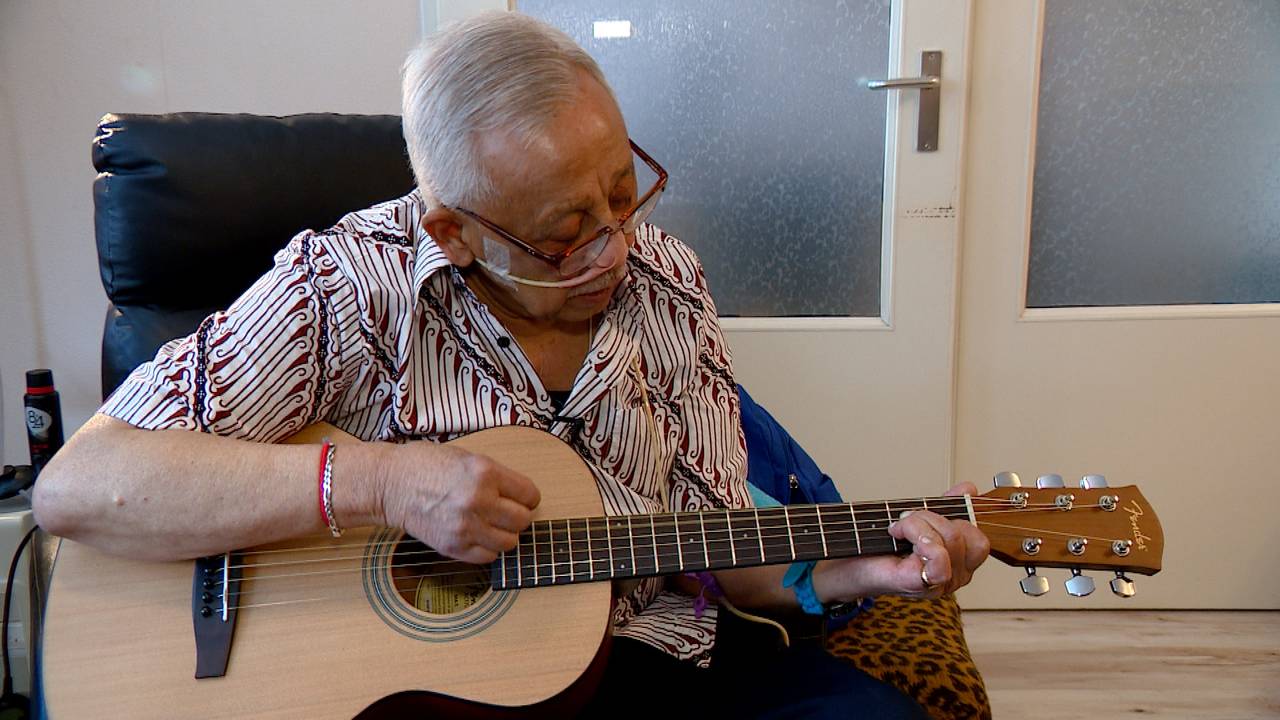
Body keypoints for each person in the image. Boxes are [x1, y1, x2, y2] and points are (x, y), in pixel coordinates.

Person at [33, 11, 988, 718]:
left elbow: (723, 551)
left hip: (650, 659)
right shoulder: (342, 286)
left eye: (625, 194)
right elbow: (78, 488)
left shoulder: (669, 282)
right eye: (566, 236)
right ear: (451, 229)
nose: (616, 249)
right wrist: (378, 482)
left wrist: (876, 572)